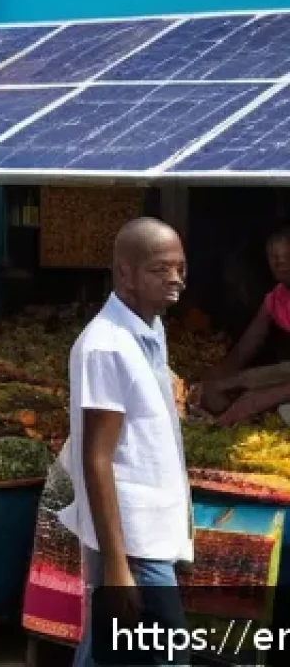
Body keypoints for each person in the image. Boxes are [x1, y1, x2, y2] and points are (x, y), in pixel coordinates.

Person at [62, 218, 192, 667]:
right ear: (124, 274)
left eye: (180, 268)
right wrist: (117, 566)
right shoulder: (106, 346)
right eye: (160, 269)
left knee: (108, 649)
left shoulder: (149, 330)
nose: (175, 278)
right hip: (133, 541)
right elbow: (96, 458)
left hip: (151, 533)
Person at [201, 227, 290, 421]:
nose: (280, 261)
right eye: (274, 256)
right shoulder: (275, 299)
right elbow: (247, 346)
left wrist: (256, 399)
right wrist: (216, 379)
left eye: (287, 254)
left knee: (257, 398)